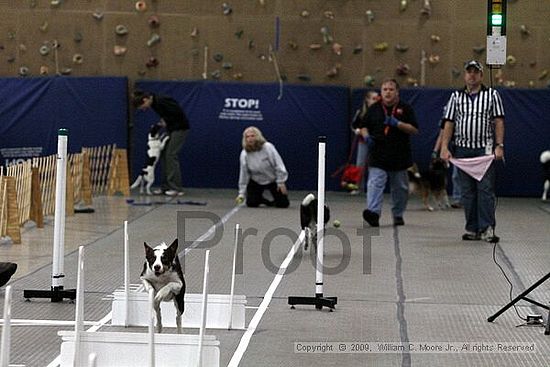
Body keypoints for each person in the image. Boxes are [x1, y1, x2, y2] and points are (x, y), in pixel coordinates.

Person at [440, 60, 505, 243]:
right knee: (466, 192)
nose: (472, 75)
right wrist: (444, 147)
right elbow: (449, 123)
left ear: (481, 75)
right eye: (469, 71)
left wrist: (499, 145)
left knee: (485, 190)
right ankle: (472, 228)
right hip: (462, 150)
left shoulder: (492, 95)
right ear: (465, 75)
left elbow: (499, 121)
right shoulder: (455, 97)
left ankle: (487, 228)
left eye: (476, 72)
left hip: (484, 149)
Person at [360, 78, 419, 227]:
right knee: (375, 183)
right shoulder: (374, 109)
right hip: (378, 154)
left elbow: (414, 129)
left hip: (399, 155)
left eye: (391, 89)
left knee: (400, 188)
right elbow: (363, 126)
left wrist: (397, 123)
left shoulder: (405, 108)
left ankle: (398, 214)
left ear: (397, 92)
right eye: (385, 89)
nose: (387, 92)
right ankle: (373, 213)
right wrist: (366, 137)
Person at [132, 90, 190, 196]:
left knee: (171, 155)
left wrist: (166, 120)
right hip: (171, 128)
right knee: (164, 155)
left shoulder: (161, 100)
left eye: (143, 107)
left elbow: (177, 111)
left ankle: (176, 188)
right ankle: (165, 187)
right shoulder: (154, 103)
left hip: (180, 128)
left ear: (145, 100)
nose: (144, 109)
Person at [236, 126, 289, 208]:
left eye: (252, 136)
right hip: (256, 181)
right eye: (247, 137)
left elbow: (279, 165)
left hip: (273, 180)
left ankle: (275, 199)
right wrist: (241, 193)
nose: (250, 139)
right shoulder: (244, 154)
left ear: (258, 136)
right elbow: (244, 174)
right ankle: (261, 199)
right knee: (251, 203)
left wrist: (281, 182)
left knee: (283, 204)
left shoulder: (268, 147)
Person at [350, 90, 380, 195]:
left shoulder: (380, 111)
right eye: (373, 98)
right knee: (360, 164)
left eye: (377, 98)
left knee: (374, 165)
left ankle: (373, 188)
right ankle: (359, 187)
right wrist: (357, 130)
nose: (376, 100)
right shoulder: (361, 112)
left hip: (375, 141)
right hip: (363, 141)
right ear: (367, 100)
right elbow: (354, 125)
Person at [432, 110, 462, 208]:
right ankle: (458, 199)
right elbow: (442, 134)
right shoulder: (448, 115)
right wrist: (436, 150)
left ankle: (474, 200)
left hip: (473, 146)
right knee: (456, 175)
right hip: (457, 148)